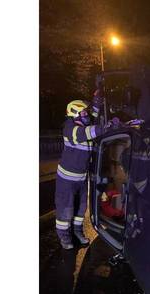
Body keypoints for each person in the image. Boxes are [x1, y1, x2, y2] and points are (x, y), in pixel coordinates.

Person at [55, 95, 103, 249]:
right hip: (67, 180)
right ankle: (64, 237)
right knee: (66, 210)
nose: (86, 115)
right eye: (83, 113)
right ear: (75, 114)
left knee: (81, 209)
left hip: (82, 179)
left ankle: (77, 232)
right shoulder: (70, 129)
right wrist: (106, 127)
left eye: (86, 112)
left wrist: (96, 103)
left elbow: (92, 121)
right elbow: (87, 133)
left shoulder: (83, 125)